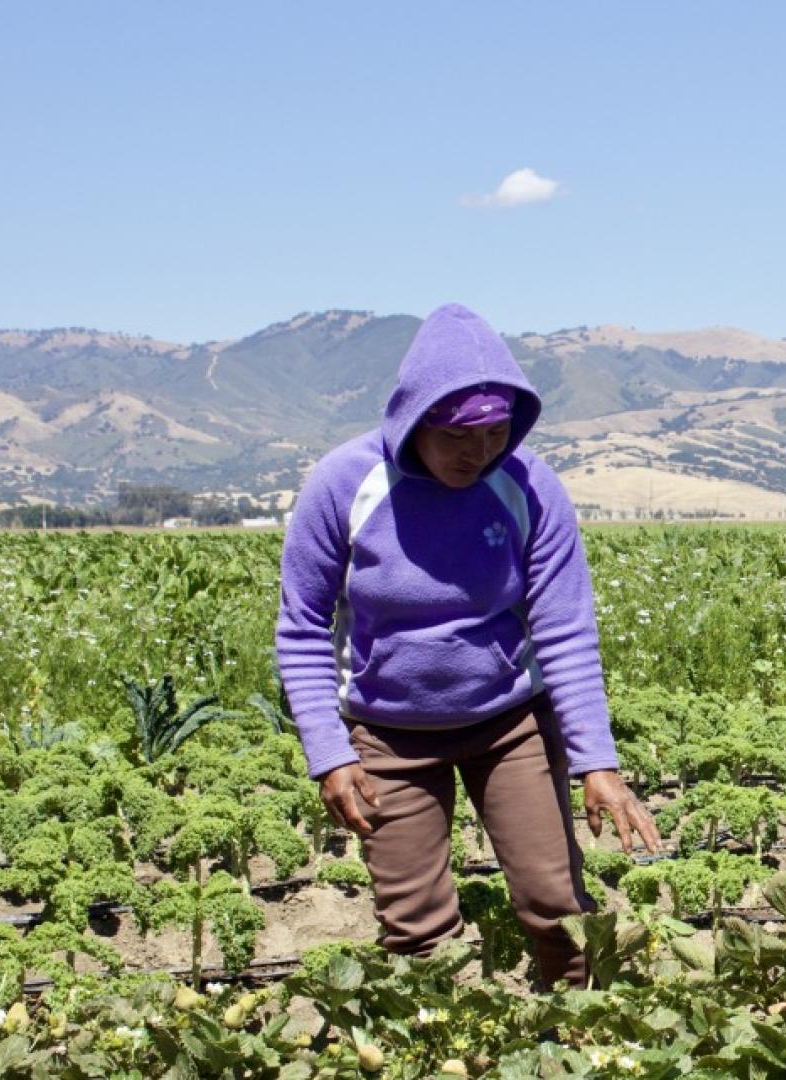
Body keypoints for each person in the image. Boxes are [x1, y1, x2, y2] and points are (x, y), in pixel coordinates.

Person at [275, 302, 660, 987]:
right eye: (456, 434)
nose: (477, 453)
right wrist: (329, 755)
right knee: (416, 927)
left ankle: (579, 1038)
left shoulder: (528, 487)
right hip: (387, 738)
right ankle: (447, 1045)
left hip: (508, 726)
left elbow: (565, 630)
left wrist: (596, 761)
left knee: (555, 905)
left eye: (496, 433)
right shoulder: (344, 484)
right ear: (414, 418)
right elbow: (302, 627)